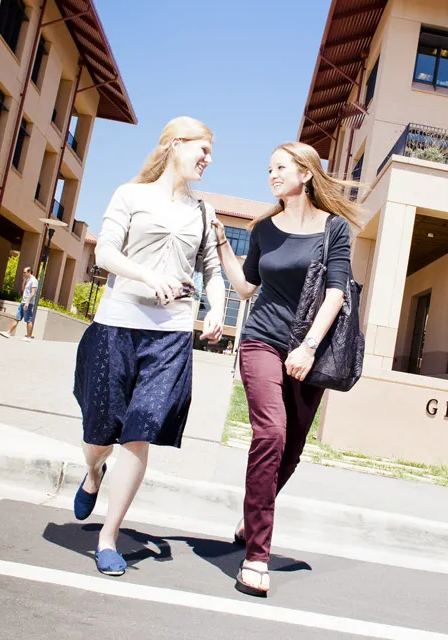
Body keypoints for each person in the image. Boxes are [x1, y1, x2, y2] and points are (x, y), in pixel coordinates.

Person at [72, 116, 225, 577]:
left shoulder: (204, 211)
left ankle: (108, 537)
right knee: (99, 435)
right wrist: (147, 275)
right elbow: (105, 254)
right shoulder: (130, 195)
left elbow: (214, 272)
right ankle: (94, 471)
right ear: (175, 144)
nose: (208, 159)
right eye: (202, 149)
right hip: (116, 326)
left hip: (171, 335)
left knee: (140, 433)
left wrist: (216, 309)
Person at [211, 142, 360, 597]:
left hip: (307, 350)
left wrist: (309, 347)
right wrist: (220, 243)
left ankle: (253, 513)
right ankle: (256, 556)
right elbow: (246, 287)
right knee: (270, 434)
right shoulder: (262, 229)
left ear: (306, 174)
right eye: (268, 169)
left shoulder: (333, 230)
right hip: (261, 340)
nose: (271, 174)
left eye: (280, 167)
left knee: (290, 449)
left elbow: (335, 293)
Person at [0, 266, 39, 341]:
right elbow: (23, 290)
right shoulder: (28, 280)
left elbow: (33, 293)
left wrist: (27, 302)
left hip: (28, 304)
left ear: (29, 272)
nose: (23, 274)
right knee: (17, 318)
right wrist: (24, 281)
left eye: (24, 272)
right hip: (23, 302)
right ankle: (8, 332)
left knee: (28, 320)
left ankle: (28, 337)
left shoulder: (34, 281)